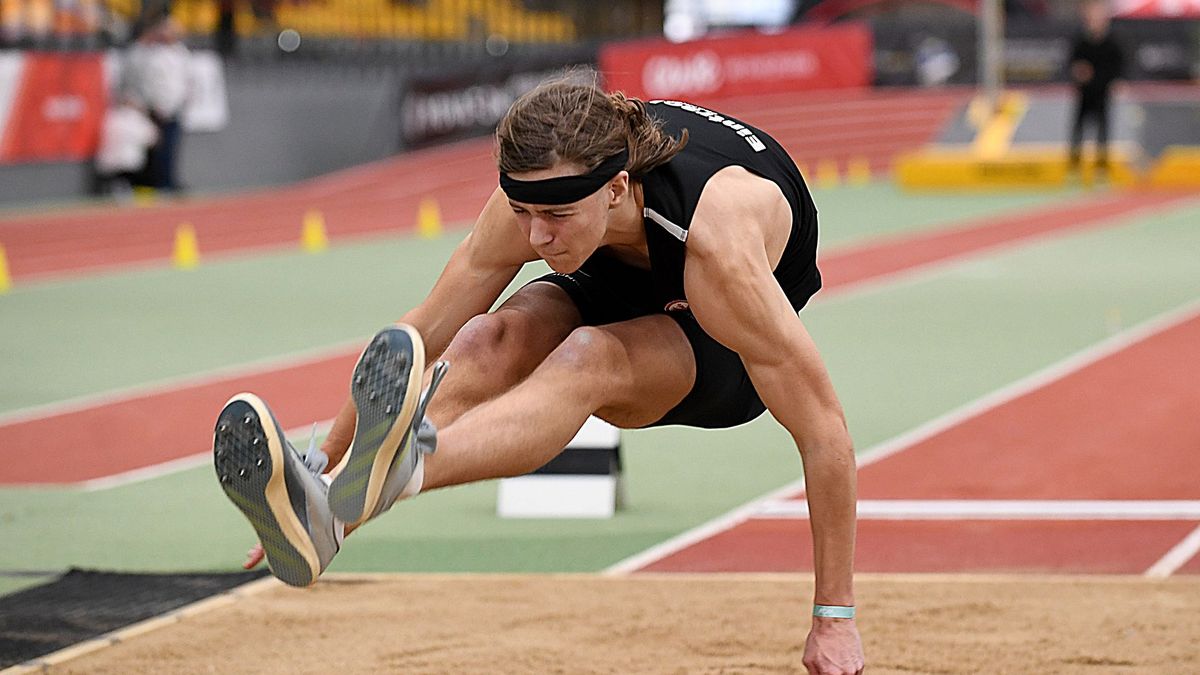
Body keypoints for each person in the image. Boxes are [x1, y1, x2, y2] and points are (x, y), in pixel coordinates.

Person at [213, 79, 865, 675]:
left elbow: (824, 431)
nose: (537, 236)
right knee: (485, 335)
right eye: (524, 212)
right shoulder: (539, 194)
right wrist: (324, 461)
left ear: (615, 188)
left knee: (589, 356)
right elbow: (419, 336)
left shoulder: (718, 242)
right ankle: (326, 513)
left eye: (556, 216)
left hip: (720, 342)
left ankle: (404, 471)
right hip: (617, 268)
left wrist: (833, 618)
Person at [122, 15, 190, 192]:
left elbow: (184, 80)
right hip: (154, 109)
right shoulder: (149, 53)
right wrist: (153, 104)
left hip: (174, 108)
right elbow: (149, 83)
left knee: (170, 148)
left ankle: (167, 182)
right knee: (153, 149)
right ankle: (152, 184)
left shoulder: (180, 52)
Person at [1068, 0, 1123, 172]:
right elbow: (1073, 64)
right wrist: (1078, 72)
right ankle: (1074, 164)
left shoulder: (1112, 43)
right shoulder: (1081, 41)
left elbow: (1118, 66)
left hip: (1102, 92)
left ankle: (1101, 164)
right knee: (1079, 126)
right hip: (1085, 93)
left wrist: (1114, 81)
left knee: (1102, 128)